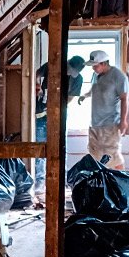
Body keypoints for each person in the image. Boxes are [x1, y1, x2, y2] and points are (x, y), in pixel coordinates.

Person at [33, 55, 85, 199]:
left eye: (73, 73)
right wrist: (38, 86)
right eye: (69, 70)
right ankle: (39, 182)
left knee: (61, 147)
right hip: (40, 113)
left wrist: (56, 106)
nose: (70, 74)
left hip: (60, 115)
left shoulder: (78, 79)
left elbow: (69, 99)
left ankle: (61, 181)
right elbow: (37, 73)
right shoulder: (52, 65)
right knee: (40, 147)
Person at [79, 50, 129, 169]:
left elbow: (124, 99)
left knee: (113, 156)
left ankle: (121, 183)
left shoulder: (118, 77)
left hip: (110, 124)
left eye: (96, 66)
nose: (94, 69)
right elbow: (95, 89)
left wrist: (123, 121)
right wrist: (85, 95)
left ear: (104, 63)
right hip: (95, 123)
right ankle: (99, 184)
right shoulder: (97, 76)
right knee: (95, 156)